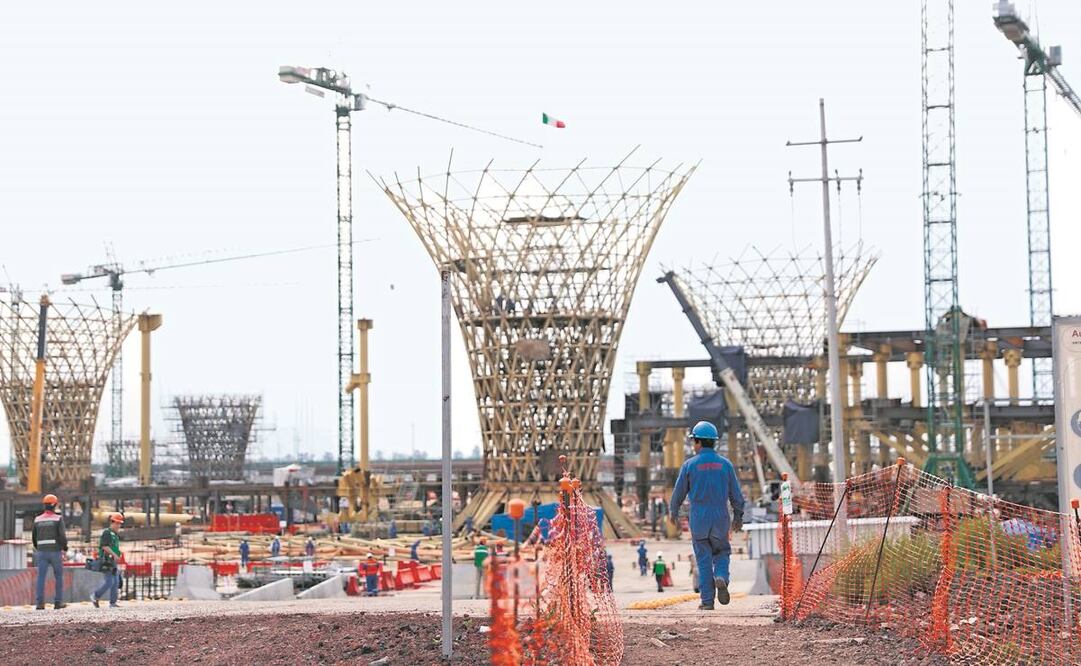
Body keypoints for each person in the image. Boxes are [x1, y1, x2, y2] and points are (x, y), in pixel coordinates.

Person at [669, 420, 745, 610]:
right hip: (720, 517)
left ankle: (707, 602)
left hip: (699, 518)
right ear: (714, 441)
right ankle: (721, 576)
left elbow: (678, 493)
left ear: (698, 442)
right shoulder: (726, 465)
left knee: (703, 559)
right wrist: (738, 516)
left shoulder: (689, 465)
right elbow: (736, 495)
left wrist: (673, 512)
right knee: (722, 552)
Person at [31, 494, 68, 610]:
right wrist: (65, 547)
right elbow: (62, 536)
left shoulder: (37, 519)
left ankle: (40, 604)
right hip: (55, 551)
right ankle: (58, 602)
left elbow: (34, 537)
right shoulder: (58, 518)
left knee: (41, 577)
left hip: (41, 552)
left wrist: (39, 547)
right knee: (58, 577)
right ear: (54, 505)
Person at [91, 513, 124, 609]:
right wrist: (114, 555)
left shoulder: (115, 535)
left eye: (119, 524)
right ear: (112, 522)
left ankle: (113, 603)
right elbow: (104, 546)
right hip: (107, 561)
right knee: (109, 581)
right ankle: (95, 595)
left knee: (116, 581)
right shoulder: (107, 533)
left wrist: (118, 554)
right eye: (117, 523)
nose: (118, 526)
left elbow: (113, 547)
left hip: (112, 561)